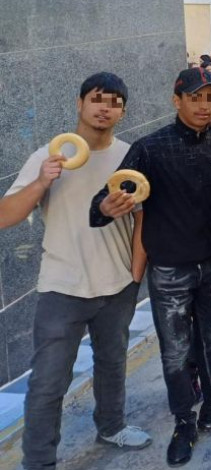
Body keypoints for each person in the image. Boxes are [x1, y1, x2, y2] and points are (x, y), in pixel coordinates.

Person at [0, 73, 151, 470]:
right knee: (49, 382)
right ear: (80, 103)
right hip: (61, 286)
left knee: (112, 362)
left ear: (123, 110)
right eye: (98, 99)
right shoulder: (50, 156)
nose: (106, 108)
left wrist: (135, 275)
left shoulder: (130, 155)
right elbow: (6, 216)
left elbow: (144, 219)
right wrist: (42, 181)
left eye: (116, 101)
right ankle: (38, 461)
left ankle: (111, 425)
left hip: (116, 284)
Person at [90, 68, 211, 467]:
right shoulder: (149, 148)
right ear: (177, 101)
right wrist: (105, 207)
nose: (205, 106)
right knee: (174, 353)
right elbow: (105, 200)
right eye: (196, 97)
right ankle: (184, 422)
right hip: (169, 271)